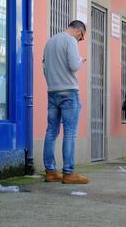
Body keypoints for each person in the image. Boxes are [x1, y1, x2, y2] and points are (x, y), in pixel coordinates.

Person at [42, 20, 88, 184]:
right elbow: (74, 65)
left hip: (52, 91)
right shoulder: (70, 41)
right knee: (70, 132)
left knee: (51, 132)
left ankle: (50, 171)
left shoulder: (50, 41)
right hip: (68, 92)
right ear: (79, 31)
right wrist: (81, 60)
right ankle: (68, 172)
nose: (80, 40)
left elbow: (44, 67)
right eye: (81, 37)